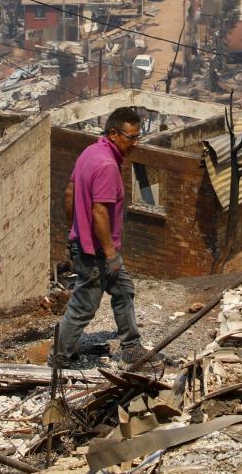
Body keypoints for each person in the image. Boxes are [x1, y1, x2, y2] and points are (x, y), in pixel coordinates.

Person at [52, 107, 160, 368]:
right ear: (113, 134)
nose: (136, 143)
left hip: (86, 244)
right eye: (131, 137)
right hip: (98, 251)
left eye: (137, 136)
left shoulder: (90, 153)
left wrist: (74, 231)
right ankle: (60, 356)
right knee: (84, 306)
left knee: (124, 290)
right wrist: (110, 255)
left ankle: (131, 347)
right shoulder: (107, 165)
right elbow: (99, 212)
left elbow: (69, 193)